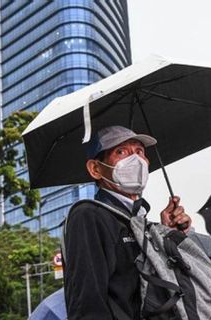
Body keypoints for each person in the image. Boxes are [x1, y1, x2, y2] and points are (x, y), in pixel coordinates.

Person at [63, 125, 192, 319]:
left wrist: (167, 234)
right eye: (121, 151)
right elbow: (88, 302)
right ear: (96, 169)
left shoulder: (139, 221)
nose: (135, 160)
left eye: (139, 151)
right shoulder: (89, 216)